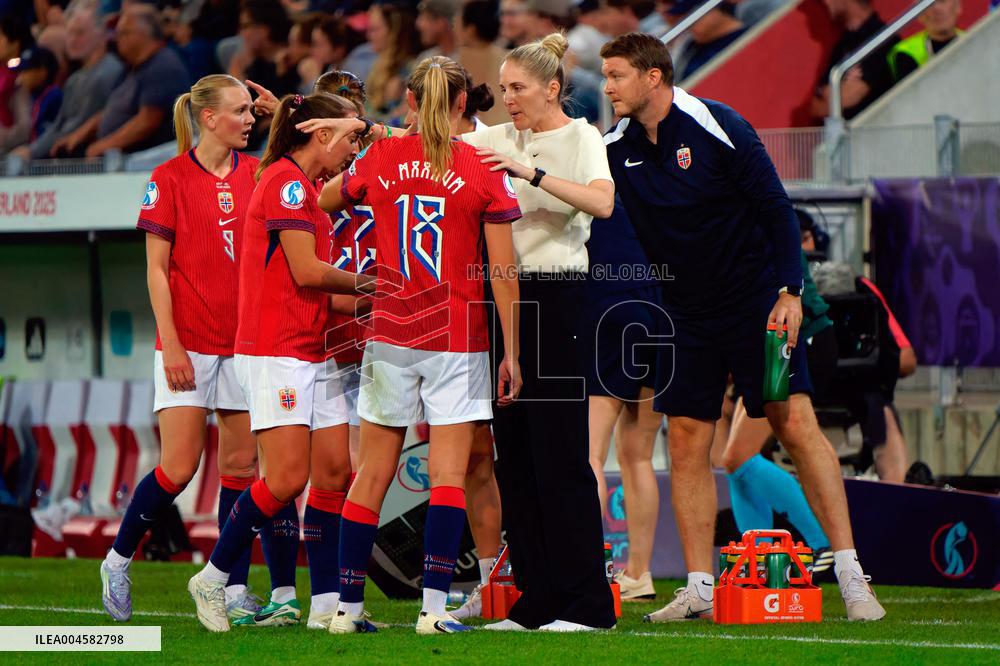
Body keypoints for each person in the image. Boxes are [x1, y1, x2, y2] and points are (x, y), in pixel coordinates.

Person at [599, 32, 885, 621]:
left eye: (616, 75)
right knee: (684, 439)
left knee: (794, 422)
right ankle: (701, 587)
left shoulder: (717, 124)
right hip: (682, 312)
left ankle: (853, 574)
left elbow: (776, 209)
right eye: (604, 76)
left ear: (653, 77)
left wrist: (790, 292)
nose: (606, 88)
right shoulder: (612, 148)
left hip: (756, 304)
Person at [316, 55, 522, 635]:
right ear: (463, 103)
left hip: (390, 332)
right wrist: (514, 353)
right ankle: (433, 612)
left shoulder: (379, 157)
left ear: (409, 101)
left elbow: (323, 201)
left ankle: (347, 610)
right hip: (456, 335)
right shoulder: (482, 166)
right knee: (449, 475)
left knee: (371, 473)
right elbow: (504, 273)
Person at [186, 93, 371, 633]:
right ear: (320, 135)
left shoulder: (306, 190)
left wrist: (382, 298)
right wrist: (372, 281)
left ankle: (324, 607)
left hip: (314, 349)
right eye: (350, 137)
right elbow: (310, 272)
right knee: (288, 477)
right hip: (276, 351)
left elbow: (320, 291)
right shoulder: (287, 184)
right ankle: (214, 576)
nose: (353, 149)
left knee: (335, 472)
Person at [458, 33, 617, 632]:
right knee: (515, 460)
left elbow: (601, 205)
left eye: (518, 88)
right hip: (502, 298)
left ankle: (586, 605)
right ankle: (536, 601)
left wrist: (531, 171)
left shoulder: (581, 137)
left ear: (552, 88)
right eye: (502, 90)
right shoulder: (494, 136)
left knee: (560, 456)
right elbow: (427, 143)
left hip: (555, 298)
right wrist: (356, 128)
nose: (508, 99)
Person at [100, 75, 265, 625]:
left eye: (252, 111)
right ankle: (118, 562)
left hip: (243, 344)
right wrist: (170, 343)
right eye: (241, 111)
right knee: (179, 467)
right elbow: (155, 269)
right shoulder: (167, 178)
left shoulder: (260, 173)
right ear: (210, 118)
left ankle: (231, 586)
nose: (250, 120)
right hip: (187, 342)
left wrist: (275, 106)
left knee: (241, 467)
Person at [718, 241, 839, 576]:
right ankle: (757, 558)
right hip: (768, 341)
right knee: (735, 460)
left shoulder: (752, 209)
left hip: (793, 338)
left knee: (743, 456)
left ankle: (822, 544)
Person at [586, 199, 664, 602]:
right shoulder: (645, 175)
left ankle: (585, 574)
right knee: (638, 455)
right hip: (658, 307)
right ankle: (639, 574)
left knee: (590, 455)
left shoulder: (584, 172)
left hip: (610, 305)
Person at [51, 4, 191, 157]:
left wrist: (103, 146)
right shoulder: (131, 68)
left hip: (144, 162)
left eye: (123, 33)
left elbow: (147, 122)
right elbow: (112, 108)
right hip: (117, 157)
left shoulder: (162, 65)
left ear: (143, 34)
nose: (117, 40)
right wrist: (78, 135)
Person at [12, 0, 123, 161]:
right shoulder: (75, 78)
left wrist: (32, 152)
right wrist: (31, 149)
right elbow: (59, 125)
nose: (72, 40)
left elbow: (75, 127)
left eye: (79, 33)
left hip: (90, 161)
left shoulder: (108, 73)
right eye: (69, 33)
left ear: (102, 34)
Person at [811, 0, 898, 120]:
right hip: (837, 135)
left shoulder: (882, 38)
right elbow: (814, 106)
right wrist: (837, 89)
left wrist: (830, 91)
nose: (825, 2)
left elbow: (849, 96)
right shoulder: (841, 44)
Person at [365, 2, 421, 121]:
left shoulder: (410, 69)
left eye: (375, 30)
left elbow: (407, 118)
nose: (369, 36)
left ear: (393, 33)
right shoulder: (377, 65)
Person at [456, 0, 509, 126]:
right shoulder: (511, 57)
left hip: (473, 135)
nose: (454, 30)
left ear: (470, 29)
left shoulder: (462, 60)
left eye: (456, 25)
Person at [668, 0, 746, 81]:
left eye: (691, 17)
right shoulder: (691, 47)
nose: (688, 26)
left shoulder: (748, 38)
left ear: (713, 10)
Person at [888, 0, 963, 82]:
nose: (936, 8)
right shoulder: (905, 54)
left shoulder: (971, 39)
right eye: (928, 3)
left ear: (957, 6)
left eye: (942, 1)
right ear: (919, 14)